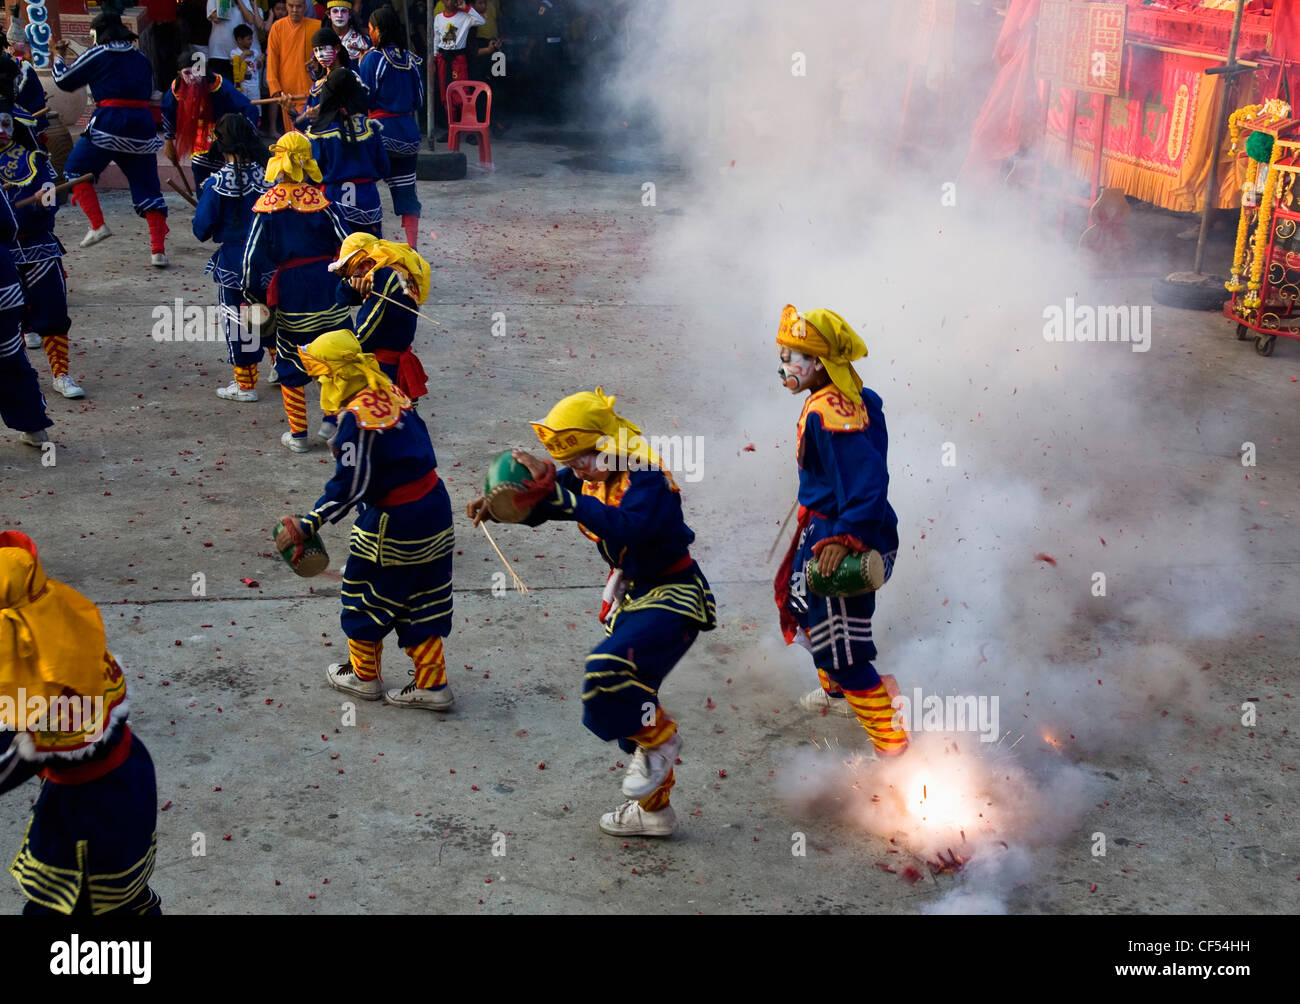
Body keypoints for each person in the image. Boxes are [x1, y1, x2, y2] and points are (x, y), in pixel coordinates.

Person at [466, 389, 717, 838]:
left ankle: (664, 740)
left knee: (607, 670)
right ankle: (654, 813)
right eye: (572, 461)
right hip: (635, 595)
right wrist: (505, 506)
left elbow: (627, 527)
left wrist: (564, 500)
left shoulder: (645, 475)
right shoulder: (592, 470)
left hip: (674, 594)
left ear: (607, 442)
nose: (578, 469)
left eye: (583, 458)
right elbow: (549, 498)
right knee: (629, 707)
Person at [274, 328, 456, 710]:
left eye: (322, 376)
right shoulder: (390, 390)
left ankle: (363, 676)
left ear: (337, 376)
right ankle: (432, 684)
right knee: (421, 596)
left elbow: (351, 484)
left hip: (394, 521)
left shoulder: (357, 419)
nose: (320, 383)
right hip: (436, 508)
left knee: (363, 595)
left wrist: (312, 522)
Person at [0, 532, 162, 916]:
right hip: (130, 778)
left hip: (89, 810)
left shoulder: (46, 689)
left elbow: (9, 760)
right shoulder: (59, 627)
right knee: (126, 893)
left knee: (66, 903)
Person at [772, 305, 908, 757]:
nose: (785, 366)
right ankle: (836, 693)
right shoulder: (855, 395)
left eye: (793, 357)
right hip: (827, 524)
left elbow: (868, 482)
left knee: (845, 652)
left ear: (818, 364)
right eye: (784, 354)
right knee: (803, 605)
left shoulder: (832, 414)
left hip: (843, 535)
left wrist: (846, 535)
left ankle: (894, 751)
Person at [241, 131, 350, 452]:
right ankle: (332, 419)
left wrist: (253, 297)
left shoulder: (267, 207)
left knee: (290, 356)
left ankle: (299, 434)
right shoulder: (323, 203)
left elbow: (251, 258)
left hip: (290, 292)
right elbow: (347, 245)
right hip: (329, 288)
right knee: (334, 353)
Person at [51, 13, 170, 267]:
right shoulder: (141, 57)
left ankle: (97, 225)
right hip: (141, 127)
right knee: (148, 188)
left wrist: (58, 57)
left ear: (99, 33)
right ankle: (158, 250)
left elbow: (64, 80)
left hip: (109, 124)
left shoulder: (99, 53)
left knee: (75, 169)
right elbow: (150, 91)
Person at [0, 58, 82, 402]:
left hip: (37, 246)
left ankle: (61, 373)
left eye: (4, 123)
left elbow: (52, 197)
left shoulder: (32, 159)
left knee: (52, 309)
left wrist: (44, 198)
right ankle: (20, 377)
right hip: (1, 253)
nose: (1, 129)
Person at [194, 113, 273, 402]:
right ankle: (280, 366)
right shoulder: (269, 175)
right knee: (267, 312)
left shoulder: (216, 183)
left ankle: (245, 385)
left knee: (239, 319)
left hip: (235, 261)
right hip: (267, 257)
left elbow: (201, 229)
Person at [0, 80, 52, 446]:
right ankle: (34, 427)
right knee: (9, 356)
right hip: (3, 284)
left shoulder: (32, 161)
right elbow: (7, 224)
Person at [328, 232, 428, 401]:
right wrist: (352, 286)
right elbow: (342, 298)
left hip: (386, 369)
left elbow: (366, 332)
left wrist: (339, 355)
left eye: (357, 268)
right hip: (390, 361)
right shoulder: (385, 268)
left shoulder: (387, 277)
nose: (357, 274)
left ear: (368, 259)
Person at [360, 5, 423, 246]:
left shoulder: (373, 59)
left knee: (363, 188)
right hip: (409, 135)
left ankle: (369, 244)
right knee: (407, 195)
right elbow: (419, 100)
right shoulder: (412, 60)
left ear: (378, 31)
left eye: (371, 29)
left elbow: (365, 97)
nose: (370, 34)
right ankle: (413, 249)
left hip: (380, 134)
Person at [308, 67, 387, 239]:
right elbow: (384, 168)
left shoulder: (319, 132)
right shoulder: (371, 127)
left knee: (336, 257)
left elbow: (313, 173)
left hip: (332, 201)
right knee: (371, 255)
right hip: (367, 200)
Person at [161, 51, 258, 188]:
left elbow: (249, 108)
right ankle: (205, 199)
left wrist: (248, 137)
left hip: (224, 132)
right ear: (179, 74)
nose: (193, 77)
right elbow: (167, 110)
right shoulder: (176, 89)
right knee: (200, 168)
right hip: (198, 134)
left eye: (197, 71)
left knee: (222, 171)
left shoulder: (219, 85)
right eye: (187, 73)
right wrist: (169, 141)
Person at [266, 0, 320, 132]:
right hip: (287, 94)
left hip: (310, 91)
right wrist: (275, 89)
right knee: (292, 137)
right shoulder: (277, 27)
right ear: (286, 6)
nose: (295, 10)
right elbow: (272, 60)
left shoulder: (317, 26)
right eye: (291, 6)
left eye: (299, 6)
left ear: (305, 7)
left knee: (306, 135)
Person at [431, 0, 482, 140]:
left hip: (458, 60)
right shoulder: (438, 18)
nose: (451, 1)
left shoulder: (464, 16)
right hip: (443, 59)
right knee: (446, 95)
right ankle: (451, 129)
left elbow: (481, 21)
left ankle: (470, 131)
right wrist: (434, 59)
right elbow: (436, 40)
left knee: (463, 94)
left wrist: (466, 8)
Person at [230, 23, 264, 125]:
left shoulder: (254, 51)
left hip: (253, 84)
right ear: (239, 40)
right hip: (242, 85)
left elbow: (258, 67)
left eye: (251, 39)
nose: (251, 41)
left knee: (256, 106)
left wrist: (260, 61)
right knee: (241, 106)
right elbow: (236, 63)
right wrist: (244, 54)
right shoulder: (234, 52)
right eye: (248, 39)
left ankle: (255, 128)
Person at [205, 0, 244, 77]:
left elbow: (250, 19)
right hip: (218, 53)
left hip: (239, 52)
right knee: (220, 86)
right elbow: (217, 18)